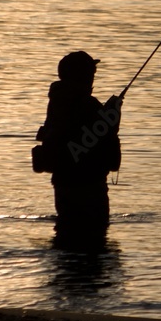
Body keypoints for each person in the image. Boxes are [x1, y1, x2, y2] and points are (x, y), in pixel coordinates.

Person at [38, 51, 122, 247]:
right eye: (91, 73)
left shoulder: (58, 100)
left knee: (67, 238)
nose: (93, 77)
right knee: (93, 240)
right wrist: (112, 113)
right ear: (82, 75)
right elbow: (105, 135)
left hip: (64, 184)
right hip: (89, 187)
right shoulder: (86, 104)